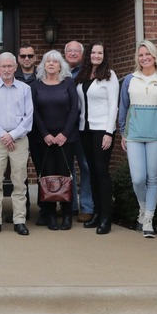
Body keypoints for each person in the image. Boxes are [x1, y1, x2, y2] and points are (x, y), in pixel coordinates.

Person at [117, 39, 157, 238]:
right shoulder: (130, 79)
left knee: (153, 178)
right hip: (134, 135)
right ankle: (143, 208)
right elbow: (123, 106)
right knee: (138, 178)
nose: (144, 58)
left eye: (148, 54)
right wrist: (123, 131)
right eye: (141, 55)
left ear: (155, 56)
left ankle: (148, 219)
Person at [0, 53, 33, 237]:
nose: (7, 69)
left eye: (10, 66)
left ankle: (20, 220)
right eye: (3, 66)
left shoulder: (25, 89)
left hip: (19, 140)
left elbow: (28, 117)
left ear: (15, 67)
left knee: (19, 182)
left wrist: (13, 135)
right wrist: (4, 135)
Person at [30, 49, 79, 231]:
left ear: (61, 65)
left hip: (66, 139)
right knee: (48, 176)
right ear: (43, 65)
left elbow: (74, 109)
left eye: (55, 61)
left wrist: (64, 134)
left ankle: (67, 215)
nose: (51, 64)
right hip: (44, 140)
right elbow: (33, 112)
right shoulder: (36, 86)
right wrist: (45, 134)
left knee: (65, 175)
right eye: (48, 61)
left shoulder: (68, 83)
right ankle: (50, 214)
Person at [76, 41, 119, 235]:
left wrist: (109, 132)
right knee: (91, 172)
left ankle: (106, 218)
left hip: (102, 130)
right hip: (84, 129)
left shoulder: (110, 76)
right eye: (93, 52)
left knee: (102, 173)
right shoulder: (84, 75)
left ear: (104, 55)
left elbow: (113, 106)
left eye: (100, 53)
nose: (96, 55)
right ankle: (96, 213)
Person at [64, 40, 94, 222]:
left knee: (85, 166)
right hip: (64, 128)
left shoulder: (88, 73)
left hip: (83, 126)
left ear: (82, 55)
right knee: (67, 168)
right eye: (70, 51)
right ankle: (71, 205)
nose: (73, 54)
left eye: (77, 51)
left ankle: (87, 206)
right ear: (64, 53)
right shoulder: (60, 72)